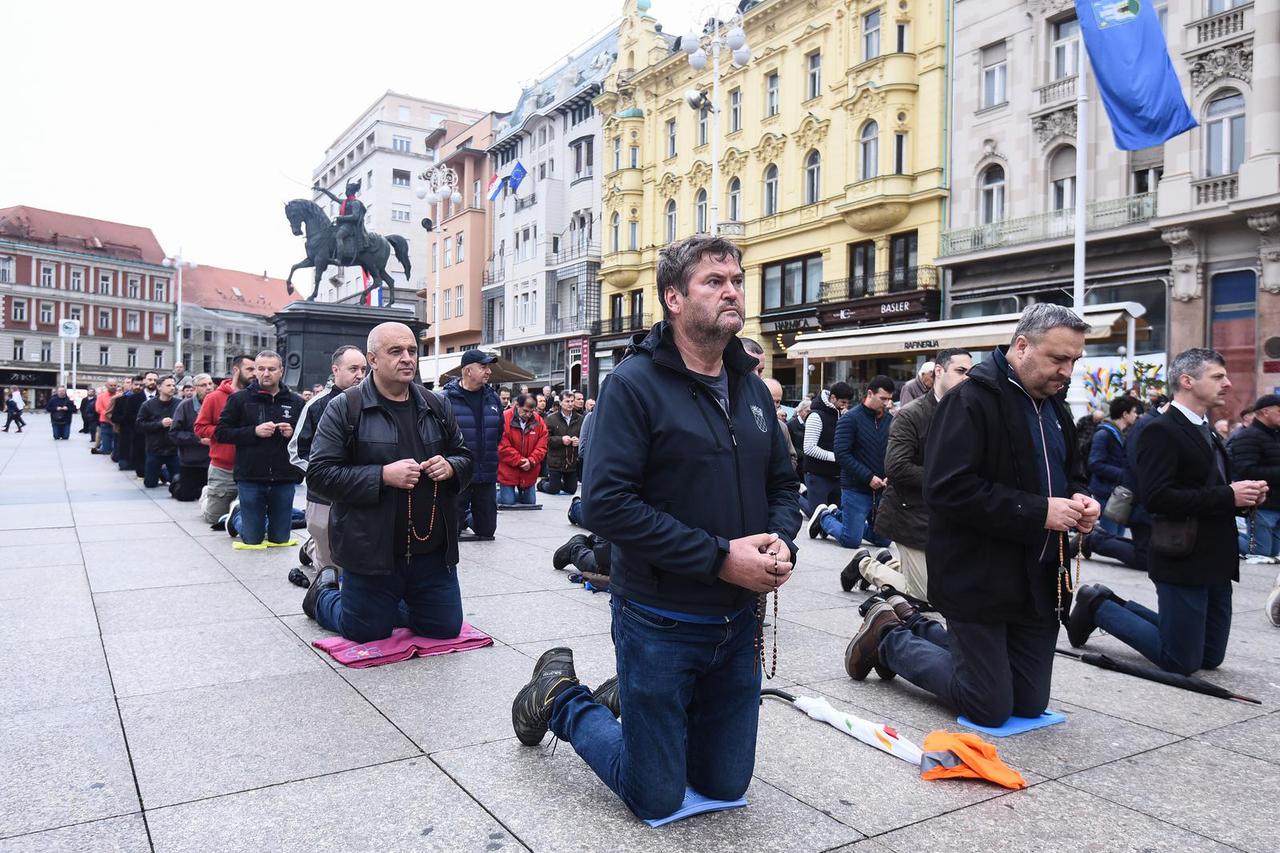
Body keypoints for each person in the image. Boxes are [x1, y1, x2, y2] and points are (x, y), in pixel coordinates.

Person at [511, 235, 801, 820]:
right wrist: (721, 556)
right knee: (656, 796)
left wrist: (781, 539)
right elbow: (606, 506)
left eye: (737, 279)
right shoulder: (632, 384)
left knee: (725, 788)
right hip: (662, 617)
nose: (732, 291)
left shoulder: (750, 387)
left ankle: (652, 715)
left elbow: (783, 485)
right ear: (673, 297)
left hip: (739, 619)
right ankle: (563, 698)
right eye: (714, 281)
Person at [846, 304, 1099, 727]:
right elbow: (946, 489)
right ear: (1022, 347)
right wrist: (1040, 511)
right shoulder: (970, 400)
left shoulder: (1056, 407)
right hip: (978, 576)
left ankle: (911, 624)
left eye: (1074, 360)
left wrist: (1081, 500)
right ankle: (888, 638)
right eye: (1059, 358)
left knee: (1029, 704)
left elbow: (1073, 473)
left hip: (1038, 578)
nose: (1067, 371)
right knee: (988, 705)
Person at [1070, 349, 1269, 674]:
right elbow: (1157, 498)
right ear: (1187, 381)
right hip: (1183, 556)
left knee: (1210, 657)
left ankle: (1111, 603)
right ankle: (1099, 607)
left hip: (1217, 557)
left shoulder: (1208, 432)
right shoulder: (1159, 429)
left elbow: (1214, 490)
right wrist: (1227, 495)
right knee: (1181, 661)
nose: (1228, 383)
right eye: (1218, 376)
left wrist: (1245, 498)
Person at [302, 322, 473, 643]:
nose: (407, 358)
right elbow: (319, 475)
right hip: (371, 552)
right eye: (396, 351)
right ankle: (323, 593)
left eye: (412, 350)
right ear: (373, 359)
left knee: (444, 628)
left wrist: (451, 467)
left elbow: (465, 458)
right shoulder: (345, 407)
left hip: (431, 553)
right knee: (365, 632)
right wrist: (381, 476)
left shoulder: (436, 405)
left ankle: (391, 604)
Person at [861, 348, 973, 599]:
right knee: (926, 595)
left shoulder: (968, 412)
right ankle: (865, 565)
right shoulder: (911, 414)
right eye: (960, 371)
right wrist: (948, 480)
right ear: (939, 371)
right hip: (909, 513)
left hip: (947, 514)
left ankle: (892, 566)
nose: (966, 378)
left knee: (949, 582)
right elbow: (896, 467)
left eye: (970, 373)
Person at [289, 345, 368, 574]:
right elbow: (296, 451)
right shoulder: (316, 405)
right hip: (324, 495)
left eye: (363, 369)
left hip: (361, 490)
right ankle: (314, 548)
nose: (360, 375)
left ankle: (313, 546)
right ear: (336, 369)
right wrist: (323, 475)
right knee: (330, 567)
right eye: (353, 368)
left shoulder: (372, 402)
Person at [214, 351, 304, 549]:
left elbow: (308, 437)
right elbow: (221, 433)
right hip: (250, 475)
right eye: (261, 369)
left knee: (279, 539)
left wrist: (293, 432)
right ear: (255, 371)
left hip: (284, 476)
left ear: (281, 371)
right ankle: (236, 517)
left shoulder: (296, 402)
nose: (266, 373)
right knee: (252, 538)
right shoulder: (239, 399)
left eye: (271, 369)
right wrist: (254, 431)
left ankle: (244, 517)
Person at [813, 376, 895, 548]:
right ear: (870, 394)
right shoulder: (850, 418)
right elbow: (842, 454)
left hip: (881, 490)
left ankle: (840, 516)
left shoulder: (890, 421)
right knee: (851, 541)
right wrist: (868, 477)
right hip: (855, 488)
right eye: (883, 399)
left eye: (889, 399)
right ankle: (824, 518)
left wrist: (889, 476)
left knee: (884, 540)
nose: (887, 404)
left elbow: (894, 452)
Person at [441, 350, 503, 540]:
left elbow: (499, 433)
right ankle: (462, 518)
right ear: (468, 371)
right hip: (458, 473)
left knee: (487, 532)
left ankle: (469, 518)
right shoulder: (445, 399)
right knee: (452, 531)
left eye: (488, 367)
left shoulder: (493, 398)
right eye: (483, 367)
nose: (488, 371)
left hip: (486, 473)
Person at [1079, 396, 1144, 569]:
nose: (1137, 416)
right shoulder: (1104, 434)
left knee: (1115, 538)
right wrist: (1123, 474)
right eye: (1135, 412)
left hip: (1117, 493)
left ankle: (1088, 541)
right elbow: (1095, 462)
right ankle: (1086, 541)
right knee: (1108, 538)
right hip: (1105, 492)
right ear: (1125, 414)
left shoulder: (1121, 434)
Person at [195, 355, 256, 524]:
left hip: (252, 466)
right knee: (215, 519)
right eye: (250, 369)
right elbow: (200, 427)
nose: (254, 374)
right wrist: (227, 432)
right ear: (236, 370)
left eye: (255, 369)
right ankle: (207, 496)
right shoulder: (214, 397)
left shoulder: (259, 396)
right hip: (224, 467)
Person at [1227, 394, 1279, 559]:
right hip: (1262, 503)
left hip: (1276, 503)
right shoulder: (1248, 436)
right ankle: (1219, 538)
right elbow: (1246, 470)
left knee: (1272, 552)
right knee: (1260, 551)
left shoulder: (1275, 435)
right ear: (1265, 412)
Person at [802, 381, 855, 515]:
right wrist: (836, 457)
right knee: (818, 516)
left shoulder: (842, 415)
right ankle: (796, 497)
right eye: (843, 402)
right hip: (817, 473)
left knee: (833, 515)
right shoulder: (816, 416)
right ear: (833, 398)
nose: (845, 406)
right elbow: (809, 448)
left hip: (836, 475)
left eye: (848, 403)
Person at [170, 373, 215, 501]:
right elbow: (174, 434)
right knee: (186, 496)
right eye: (203, 385)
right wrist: (198, 439)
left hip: (213, 460)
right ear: (195, 388)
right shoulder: (185, 406)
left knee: (209, 496)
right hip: (191, 460)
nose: (208, 387)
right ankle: (176, 482)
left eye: (210, 384)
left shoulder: (220, 403)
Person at [497, 394, 547, 506]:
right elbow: (502, 446)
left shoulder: (539, 421)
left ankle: (508, 494)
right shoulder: (504, 418)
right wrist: (521, 461)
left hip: (529, 469)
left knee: (530, 502)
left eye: (531, 411)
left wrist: (532, 460)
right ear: (517, 405)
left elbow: (542, 445)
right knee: (508, 502)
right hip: (508, 469)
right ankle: (495, 494)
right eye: (525, 411)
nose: (528, 414)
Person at [136, 376, 181, 488]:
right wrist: (160, 424)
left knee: (179, 481)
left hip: (174, 449)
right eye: (168, 385)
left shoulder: (180, 404)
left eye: (173, 385)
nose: (172, 388)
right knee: (150, 484)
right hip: (155, 448)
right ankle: (161, 473)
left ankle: (166, 475)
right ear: (159, 387)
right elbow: (140, 425)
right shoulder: (148, 405)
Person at [541, 392, 583, 495]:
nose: (570, 404)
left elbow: (586, 436)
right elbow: (545, 439)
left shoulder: (580, 418)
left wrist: (579, 441)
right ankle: (542, 484)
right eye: (567, 401)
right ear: (560, 403)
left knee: (571, 490)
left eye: (572, 401)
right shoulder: (551, 418)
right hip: (556, 461)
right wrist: (561, 440)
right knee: (553, 489)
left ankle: (558, 483)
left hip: (571, 461)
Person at [763, 378, 798, 473]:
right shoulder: (744, 423)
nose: (774, 405)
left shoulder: (782, 427)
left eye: (777, 402)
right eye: (770, 399)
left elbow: (792, 458)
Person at [110, 376, 145, 470]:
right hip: (126, 433)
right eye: (136, 384)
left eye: (141, 385)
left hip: (140, 434)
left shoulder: (145, 400)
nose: (138, 387)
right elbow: (114, 417)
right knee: (124, 462)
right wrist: (125, 418)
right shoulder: (121, 399)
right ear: (131, 385)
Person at [787, 399, 810, 479]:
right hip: (797, 465)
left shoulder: (810, 425)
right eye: (807, 411)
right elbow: (789, 445)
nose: (809, 414)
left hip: (807, 466)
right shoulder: (790, 425)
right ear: (800, 411)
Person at [94, 381, 118, 454]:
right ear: (107, 386)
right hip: (105, 422)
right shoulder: (101, 396)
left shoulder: (119, 396)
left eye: (115, 385)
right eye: (111, 385)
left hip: (116, 422)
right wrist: (107, 414)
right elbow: (98, 408)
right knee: (106, 448)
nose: (113, 387)